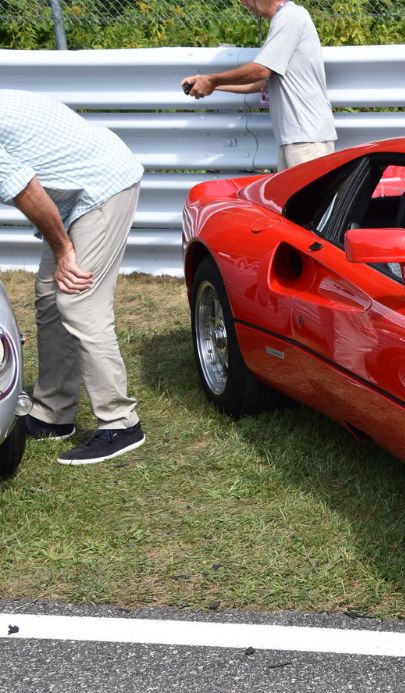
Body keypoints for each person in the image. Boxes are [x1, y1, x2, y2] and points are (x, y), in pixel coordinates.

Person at [0, 89, 145, 465]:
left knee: (79, 300)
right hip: (71, 191)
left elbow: (25, 190)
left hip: (102, 185)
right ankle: (52, 414)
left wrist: (64, 251)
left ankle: (120, 423)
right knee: (49, 296)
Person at [180, 0, 336, 170]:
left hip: (306, 140)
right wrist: (211, 85)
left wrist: (212, 80)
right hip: (299, 138)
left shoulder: (290, 17)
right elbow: (260, 82)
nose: (243, 3)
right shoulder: (285, 18)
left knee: (304, 197)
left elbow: (262, 70)